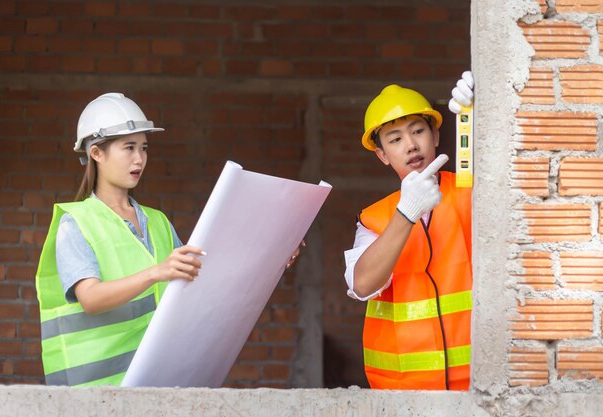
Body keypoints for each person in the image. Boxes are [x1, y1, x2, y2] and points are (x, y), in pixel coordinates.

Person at [35, 93, 302, 387]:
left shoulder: (158, 221)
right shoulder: (75, 223)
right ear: (97, 153)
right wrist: (155, 272)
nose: (139, 158)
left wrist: (274, 253)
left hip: (154, 385)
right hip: (97, 394)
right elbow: (91, 298)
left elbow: (201, 281)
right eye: (129, 148)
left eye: (144, 148)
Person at [343, 72, 475, 390]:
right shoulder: (376, 218)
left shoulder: (470, 192)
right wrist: (407, 213)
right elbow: (362, 285)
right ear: (383, 155)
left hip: (479, 387)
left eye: (418, 131)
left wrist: (480, 119)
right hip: (404, 395)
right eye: (396, 139)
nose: (411, 145)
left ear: (436, 136)